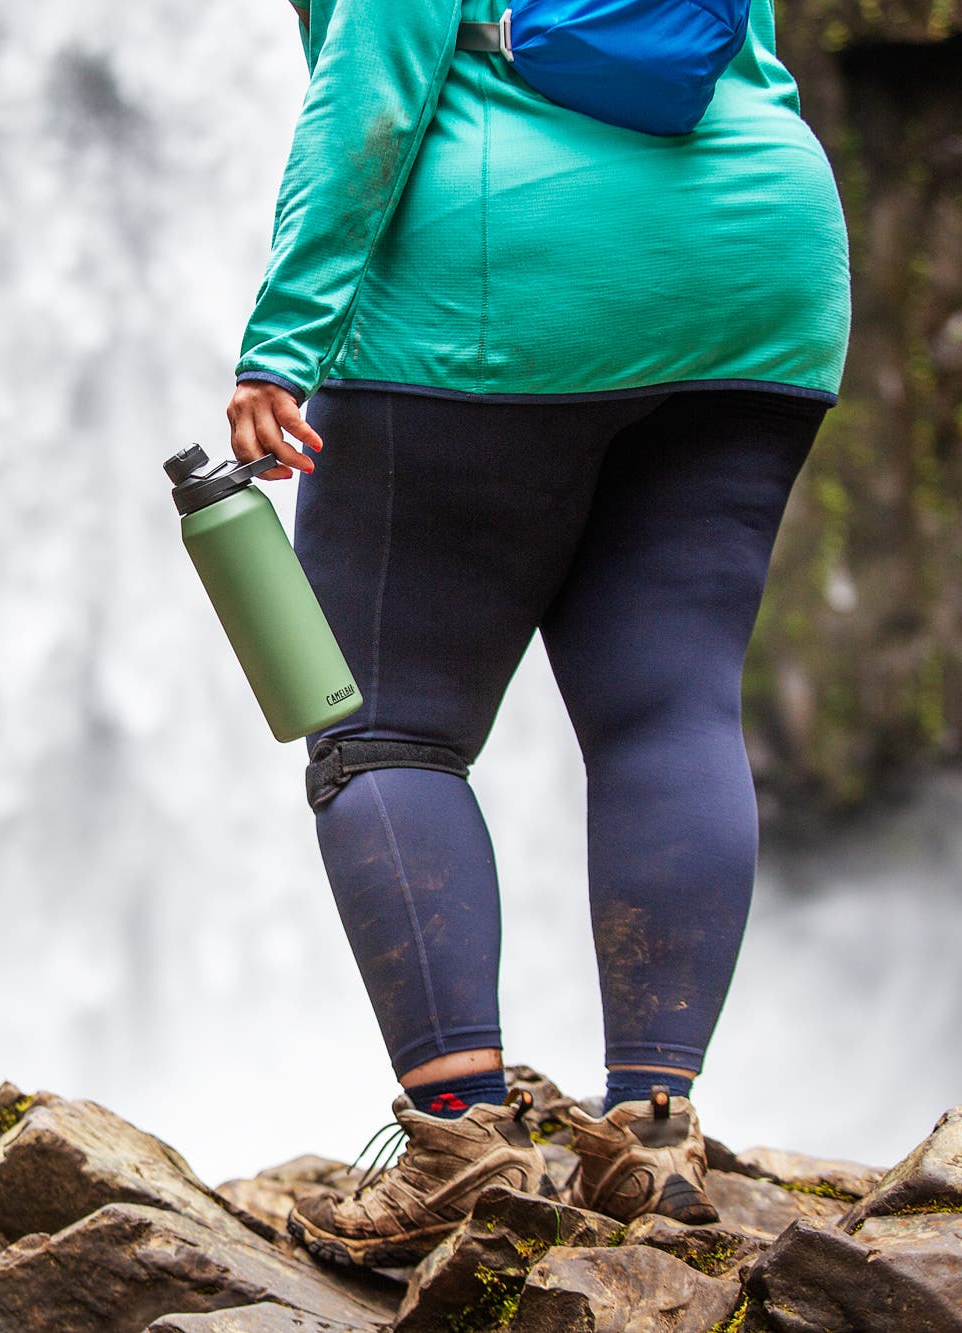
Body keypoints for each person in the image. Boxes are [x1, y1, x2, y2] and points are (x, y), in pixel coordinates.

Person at [226, 0, 850, 1267]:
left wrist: (279, 348)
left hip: (498, 285)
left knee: (382, 729)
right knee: (667, 706)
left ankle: (460, 1140)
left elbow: (374, 97)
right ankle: (652, 1132)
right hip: (757, 273)